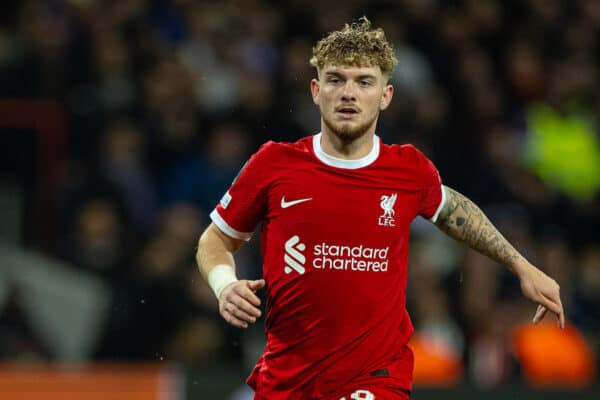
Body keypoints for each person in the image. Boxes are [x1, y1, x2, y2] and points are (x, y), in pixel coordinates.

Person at [196, 17, 564, 400]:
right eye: (336, 80)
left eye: (364, 82)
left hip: (375, 379)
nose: (348, 93)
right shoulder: (274, 164)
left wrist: (521, 265)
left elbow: (454, 209)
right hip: (287, 381)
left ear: (385, 95)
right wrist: (224, 287)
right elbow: (215, 240)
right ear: (315, 90)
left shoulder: (408, 169)